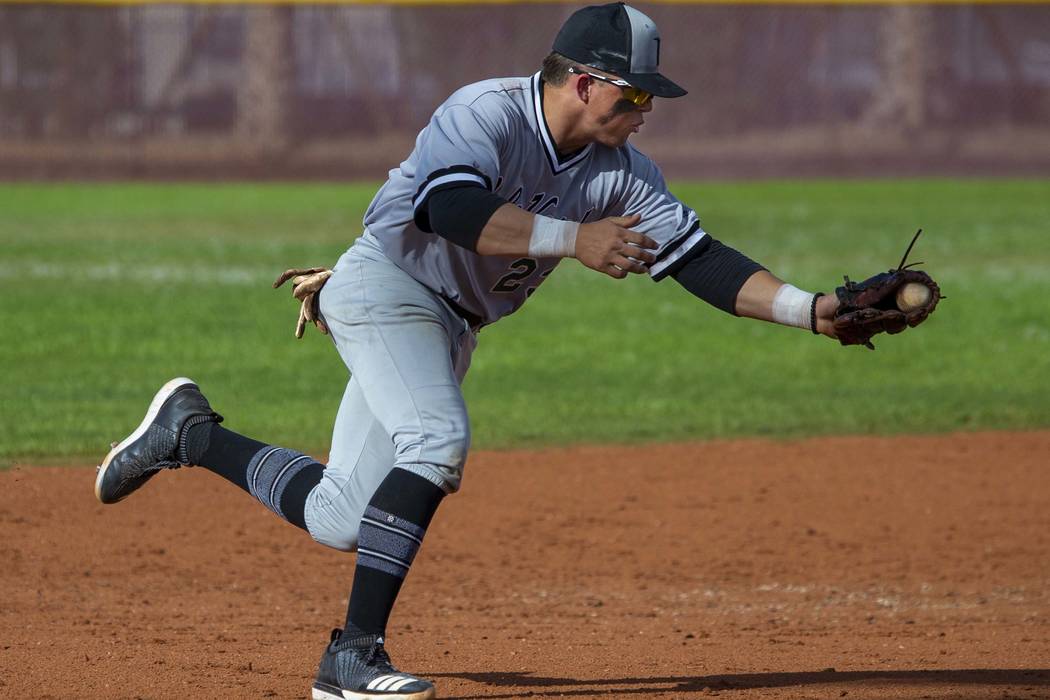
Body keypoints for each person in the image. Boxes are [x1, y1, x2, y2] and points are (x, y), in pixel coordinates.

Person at [95, 4, 841, 699]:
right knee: (438, 439)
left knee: (341, 517)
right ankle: (351, 658)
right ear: (583, 81)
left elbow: (701, 259)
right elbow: (446, 207)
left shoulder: (626, 175)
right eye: (634, 96)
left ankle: (189, 433)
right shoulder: (487, 112)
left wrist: (815, 311)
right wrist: (575, 240)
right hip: (387, 288)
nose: (644, 112)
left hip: (450, 326)